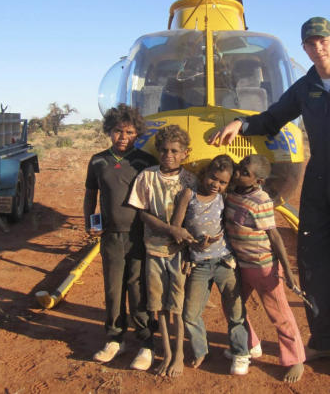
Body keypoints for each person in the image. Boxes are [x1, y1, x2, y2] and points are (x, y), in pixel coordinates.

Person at [211, 16, 330, 382]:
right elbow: (273, 118)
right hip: (317, 181)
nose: (318, 47)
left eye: (323, 40)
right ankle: (326, 340)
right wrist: (242, 124)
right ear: (304, 48)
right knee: (314, 264)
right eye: (310, 43)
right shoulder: (307, 86)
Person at [83, 104, 158, 369]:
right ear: (109, 131)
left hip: (139, 237)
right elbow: (92, 194)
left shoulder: (145, 162)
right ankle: (115, 339)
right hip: (112, 237)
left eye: (129, 132)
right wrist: (90, 222)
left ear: (137, 133)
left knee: (139, 291)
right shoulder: (98, 160)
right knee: (114, 290)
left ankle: (146, 343)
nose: (123, 137)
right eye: (117, 131)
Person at [224, 154, 306, 382]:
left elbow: (275, 236)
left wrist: (287, 272)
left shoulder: (262, 200)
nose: (238, 173)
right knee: (233, 306)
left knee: (278, 314)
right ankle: (249, 344)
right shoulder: (231, 192)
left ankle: (295, 358)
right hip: (240, 264)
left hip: (263, 267)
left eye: (244, 173)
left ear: (258, 181)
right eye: (239, 168)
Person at [172, 154, 253, 377]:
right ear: (204, 174)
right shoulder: (190, 195)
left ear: (228, 184)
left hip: (224, 262)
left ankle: (240, 353)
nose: (216, 185)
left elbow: (232, 223)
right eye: (213, 178)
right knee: (190, 313)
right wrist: (193, 242)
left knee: (236, 311)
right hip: (199, 264)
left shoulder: (224, 197)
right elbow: (177, 228)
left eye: (222, 182)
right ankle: (201, 350)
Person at [127, 124, 197, 377]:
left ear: (185, 153)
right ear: (158, 151)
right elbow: (142, 213)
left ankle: (178, 355)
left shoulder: (191, 181)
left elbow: (195, 220)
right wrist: (171, 230)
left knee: (176, 308)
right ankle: (166, 352)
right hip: (153, 251)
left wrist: (189, 251)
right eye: (165, 150)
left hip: (179, 253)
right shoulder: (147, 176)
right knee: (159, 307)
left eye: (175, 151)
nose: (169, 155)